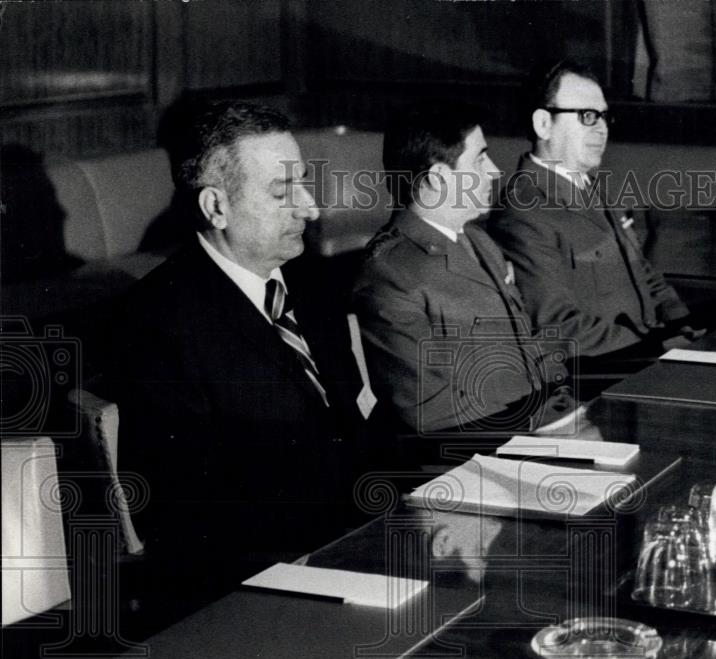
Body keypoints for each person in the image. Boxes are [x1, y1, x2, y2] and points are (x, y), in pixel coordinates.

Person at [109, 101, 383, 614]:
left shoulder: (311, 282)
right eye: (283, 192)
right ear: (216, 207)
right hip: (258, 588)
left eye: (304, 184)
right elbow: (182, 515)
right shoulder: (157, 322)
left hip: (357, 550)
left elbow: (351, 429)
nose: (310, 209)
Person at [353, 100, 572, 435]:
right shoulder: (390, 273)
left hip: (531, 428)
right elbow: (427, 407)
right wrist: (539, 425)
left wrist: (566, 411)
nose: (495, 171)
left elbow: (527, 347)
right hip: (465, 457)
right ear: (439, 178)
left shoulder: (477, 240)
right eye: (480, 158)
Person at [491, 60, 694, 360]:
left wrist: (683, 325)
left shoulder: (595, 187)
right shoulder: (524, 211)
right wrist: (655, 346)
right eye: (587, 116)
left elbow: (645, 276)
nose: (602, 129)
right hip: (603, 375)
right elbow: (557, 327)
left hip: (647, 354)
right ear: (543, 125)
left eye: (603, 117)